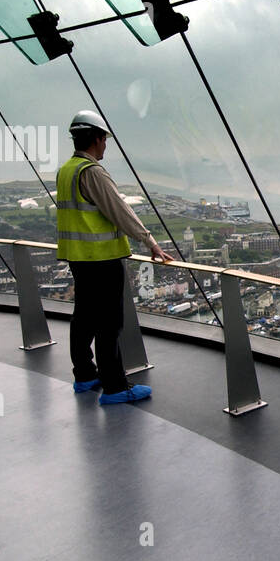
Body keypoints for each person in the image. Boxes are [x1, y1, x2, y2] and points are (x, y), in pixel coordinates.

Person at [56, 110, 173, 405]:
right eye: (105, 139)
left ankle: (84, 374)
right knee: (110, 323)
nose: (106, 145)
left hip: (79, 258)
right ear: (96, 138)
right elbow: (119, 211)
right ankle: (115, 386)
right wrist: (149, 241)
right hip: (102, 259)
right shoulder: (91, 171)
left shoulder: (66, 170)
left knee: (83, 317)